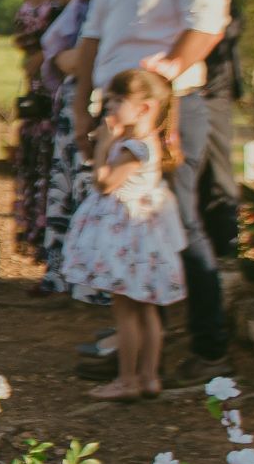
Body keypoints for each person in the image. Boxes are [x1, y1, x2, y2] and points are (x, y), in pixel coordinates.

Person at [71, 0, 230, 369]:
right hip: (113, 108)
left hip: (172, 108)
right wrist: (83, 107)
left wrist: (155, 98)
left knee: (176, 222)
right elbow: (94, 33)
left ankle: (209, 346)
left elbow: (206, 25)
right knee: (128, 225)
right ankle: (140, 346)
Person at [60, 70, 186, 401]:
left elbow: (104, 182)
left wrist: (103, 143)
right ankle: (149, 377)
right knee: (146, 309)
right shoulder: (143, 143)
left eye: (118, 100)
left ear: (144, 108)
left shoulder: (134, 147)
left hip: (127, 238)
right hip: (142, 236)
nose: (109, 106)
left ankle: (127, 379)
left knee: (127, 310)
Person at [165, 0, 242, 259]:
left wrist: (191, 51)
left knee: (216, 174)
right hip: (168, 81)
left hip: (212, 79)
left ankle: (226, 257)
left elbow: (230, 19)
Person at [39, 0, 114, 294]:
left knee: (91, 183)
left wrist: (72, 60)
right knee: (67, 183)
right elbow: (55, 49)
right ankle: (63, 271)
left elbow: (82, 54)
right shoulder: (78, 1)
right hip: (73, 97)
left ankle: (91, 277)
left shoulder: (106, 0)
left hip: (101, 95)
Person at [10, 0, 88, 269]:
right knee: (37, 167)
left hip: (67, 87)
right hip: (36, 91)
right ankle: (47, 258)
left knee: (64, 171)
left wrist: (45, 53)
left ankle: (71, 261)